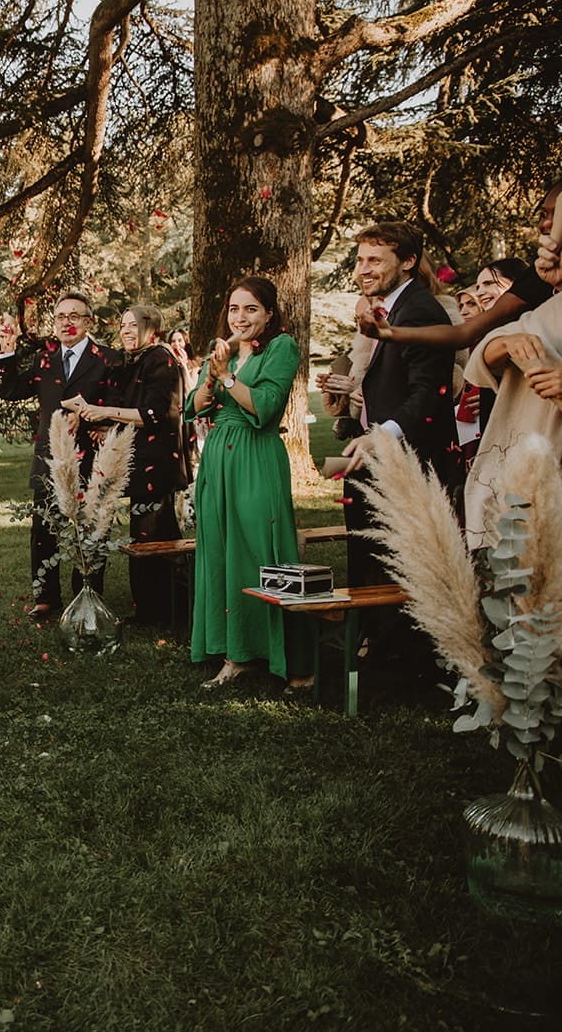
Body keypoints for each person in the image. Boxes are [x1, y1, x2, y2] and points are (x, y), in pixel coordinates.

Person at [184, 277, 313, 692]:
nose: (240, 318)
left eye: (251, 309)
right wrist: (211, 380)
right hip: (219, 455)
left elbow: (266, 405)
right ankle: (234, 653)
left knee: (262, 547)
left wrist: (224, 379)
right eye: (235, 309)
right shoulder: (219, 350)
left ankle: (285, 655)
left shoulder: (281, 347)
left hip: (256, 455)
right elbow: (195, 407)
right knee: (221, 551)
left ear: (269, 313)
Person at [338, 223, 458, 625]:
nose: (363, 269)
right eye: (359, 260)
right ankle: (377, 642)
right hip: (379, 453)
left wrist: (381, 437)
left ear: (408, 262)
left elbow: (427, 394)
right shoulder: (392, 307)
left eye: (375, 260)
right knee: (374, 553)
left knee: (407, 560)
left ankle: (403, 654)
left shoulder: (420, 311)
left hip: (411, 458)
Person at [64, 303, 191, 625]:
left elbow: (152, 414)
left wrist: (103, 412)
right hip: (139, 459)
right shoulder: (133, 361)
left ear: (152, 328)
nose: (126, 331)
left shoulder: (160, 359)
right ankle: (152, 609)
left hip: (158, 463)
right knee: (143, 536)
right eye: (122, 325)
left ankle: (165, 611)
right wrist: (105, 427)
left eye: (133, 325)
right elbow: (131, 410)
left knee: (155, 537)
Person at [0, 291, 118, 617]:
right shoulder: (44, 359)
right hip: (48, 457)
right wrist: (7, 352)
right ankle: (46, 598)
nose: (67, 322)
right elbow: (10, 391)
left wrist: (99, 419)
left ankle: (88, 595)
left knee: (92, 527)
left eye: (75, 316)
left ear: (88, 321)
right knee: (43, 529)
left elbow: (117, 405)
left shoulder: (107, 358)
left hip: (93, 458)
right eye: (61, 317)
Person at [462, 182, 562, 548]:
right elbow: (480, 357)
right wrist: (505, 343)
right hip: (526, 476)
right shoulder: (550, 308)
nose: (547, 231)